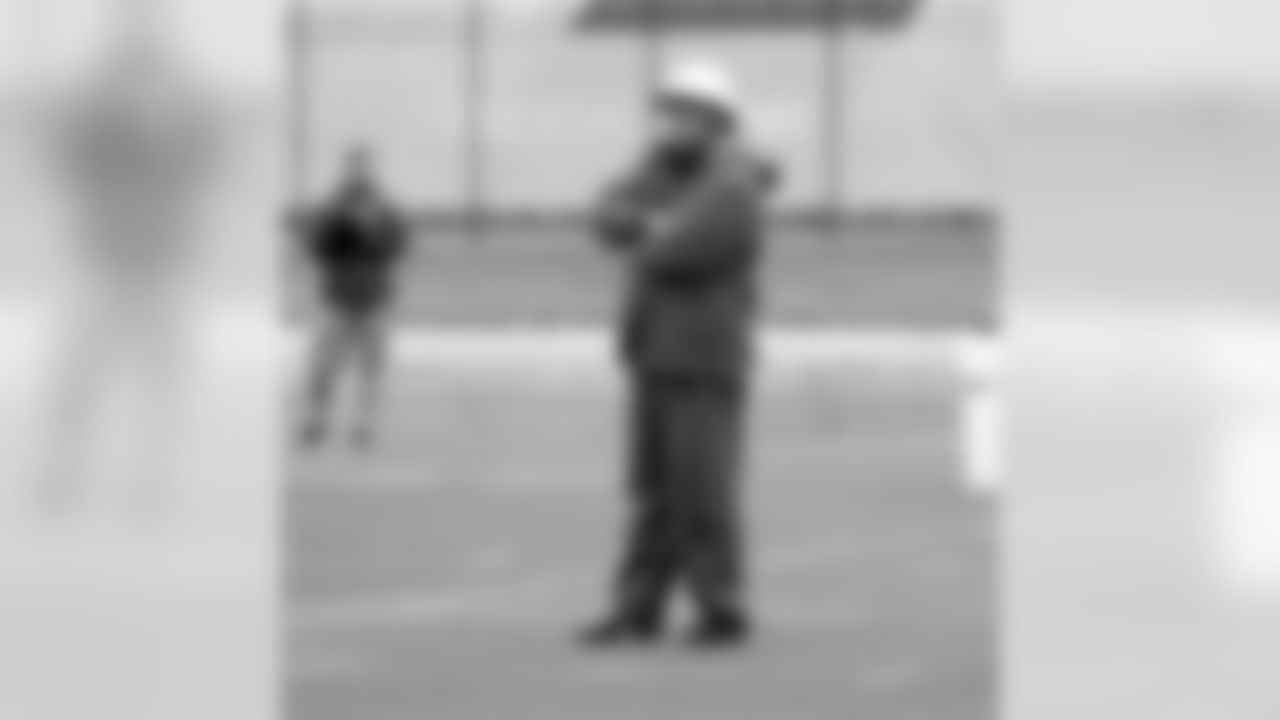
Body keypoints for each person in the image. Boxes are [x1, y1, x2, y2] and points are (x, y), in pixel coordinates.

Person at [584, 59, 778, 649]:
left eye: (683, 112)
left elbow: (676, 252)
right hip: (653, 350)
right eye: (666, 111)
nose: (668, 123)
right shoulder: (660, 171)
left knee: (702, 488)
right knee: (654, 492)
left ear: (714, 121)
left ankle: (720, 605)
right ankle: (636, 608)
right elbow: (605, 215)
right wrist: (654, 224)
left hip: (703, 354)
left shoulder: (733, 184)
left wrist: (650, 231)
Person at [295, 147, 409, 449]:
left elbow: (398, 248)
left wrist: (370, 229)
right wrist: (342, 224)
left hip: (374, 298)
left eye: (364, 167)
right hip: (336, 298)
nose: (358, 173)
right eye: (353, 167)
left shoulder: (385, 209)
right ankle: (316, 419)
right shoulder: (330, 208)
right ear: (345, 170)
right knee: (322, 365)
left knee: (371, 366)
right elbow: (314, 247)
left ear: (371, 170)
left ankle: (364, 423)